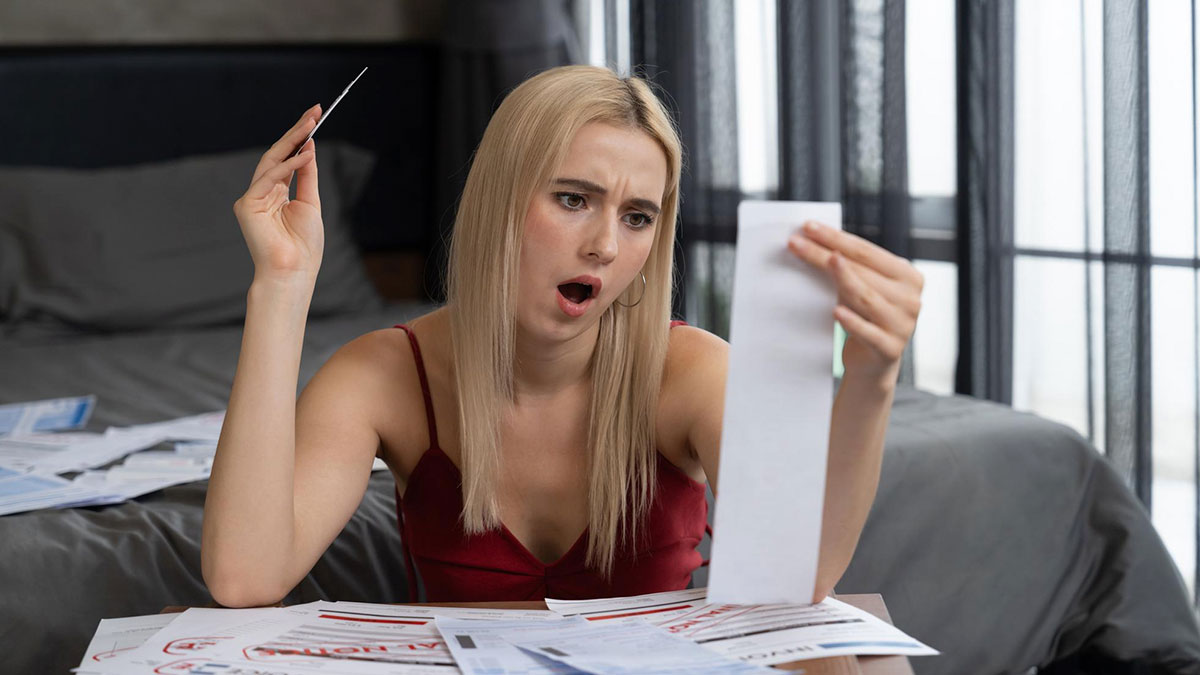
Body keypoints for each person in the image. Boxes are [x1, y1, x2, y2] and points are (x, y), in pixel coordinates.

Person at [201, 65, 924, 608]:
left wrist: (871, 380)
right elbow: (243, 577)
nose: (606, 245)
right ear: (499, 202)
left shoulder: (692, 371)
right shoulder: (385, 374)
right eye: (574, 199)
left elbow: (798, 578)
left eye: (638, 215)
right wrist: (283, 286)